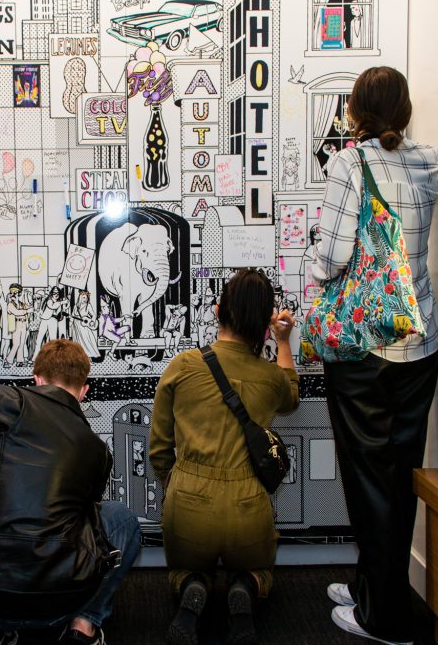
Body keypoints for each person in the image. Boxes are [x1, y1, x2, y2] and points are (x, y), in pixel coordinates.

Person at [312, 66, 438, 645]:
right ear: (406, 110)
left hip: (365, 346)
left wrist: (308, 277)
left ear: (354, 112)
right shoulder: (430, 163)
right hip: (421, 342)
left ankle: (383, 617)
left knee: (367, 477)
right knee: (399, 472)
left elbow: (333, 256)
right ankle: (373, 585)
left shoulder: (348, 164)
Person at [0, 339, 141, 645]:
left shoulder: (0, 400)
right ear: (84, 391)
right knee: (121, 518)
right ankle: (84, 624)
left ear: (37, 379)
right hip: (61, 601)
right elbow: (88, 524)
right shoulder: (98, 450)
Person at [150, 269, 298, 645]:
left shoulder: (182, 366)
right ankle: (246, 587)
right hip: (247, 507)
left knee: (182, 568)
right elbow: (292, 397)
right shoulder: (269, 378)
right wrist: (282, 342)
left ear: (217, 310)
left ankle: (191, 585)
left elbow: (159, 446)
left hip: (187, 504)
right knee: (259, 569)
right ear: (264, 323)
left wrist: (176, 483)